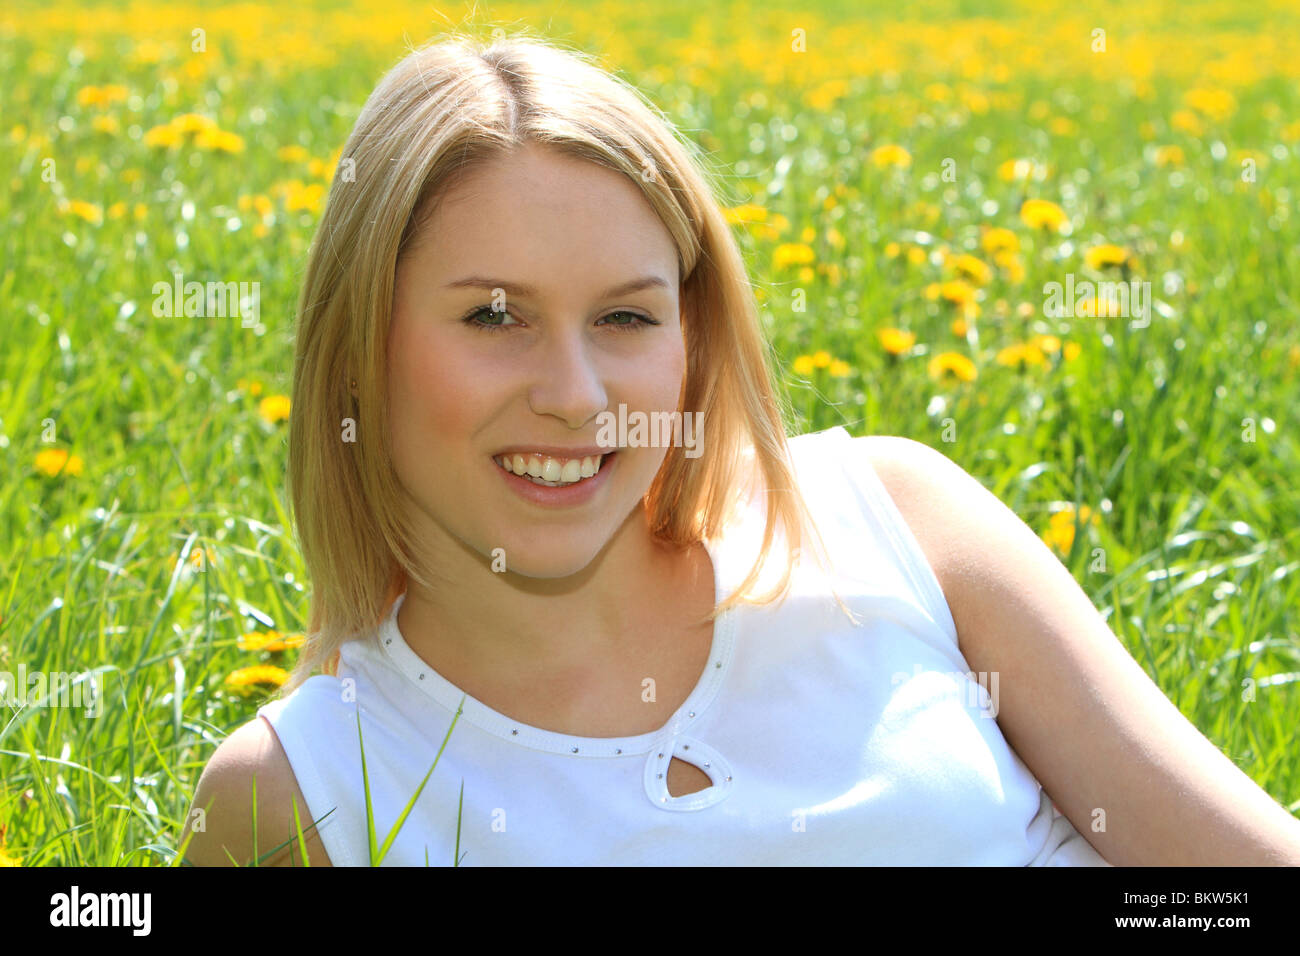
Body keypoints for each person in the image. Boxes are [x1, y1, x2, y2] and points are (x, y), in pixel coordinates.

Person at [180, 34, 1300, 867]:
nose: (575, 397)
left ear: (692, 335)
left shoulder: (892, 519)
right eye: (492, 316)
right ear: (356, 353)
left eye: (625, 318)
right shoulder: (301, 791)